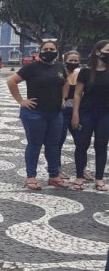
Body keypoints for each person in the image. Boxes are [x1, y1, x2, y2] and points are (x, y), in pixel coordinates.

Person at [7, 40, 68, 190]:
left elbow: (65, 82)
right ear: (40, 51)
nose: (48, 51)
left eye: (51, 49)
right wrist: (21, 100)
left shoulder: (60, 67)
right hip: (34, 113)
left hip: (55, 114)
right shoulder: (31, 68)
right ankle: (31, 177)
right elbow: (11, 81)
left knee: (53, 146)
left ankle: (54, 176)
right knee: (35, 145)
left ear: (56, 51)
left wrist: (63, 98)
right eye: (45, 48)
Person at [71, 40, 109, 191]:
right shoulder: (85, 72)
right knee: (81, 144)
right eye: (107, 50)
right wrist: (75, 114)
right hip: (86, 113)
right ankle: (79, 176)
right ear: (98, 52)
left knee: (101, 145)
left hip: (105, 114)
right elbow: (77, 94)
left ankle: (99, 178)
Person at [58, 51, 81, 183]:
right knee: (58, 141)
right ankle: (57, 169)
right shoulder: (60, 73)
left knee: (81, 141)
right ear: (65, 60)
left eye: (75, 60)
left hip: (77, 111)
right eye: (70, 60)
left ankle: (81, 169)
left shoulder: (81, 74)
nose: (73, 63)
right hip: (61, 111)